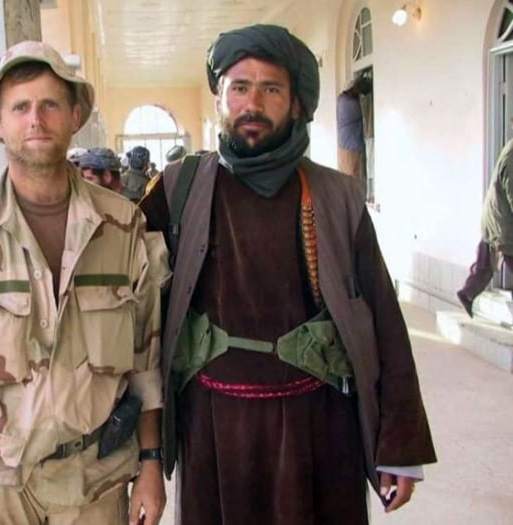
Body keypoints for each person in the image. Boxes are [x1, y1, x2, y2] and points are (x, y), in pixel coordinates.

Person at [139, 24, 436, 524]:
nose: (252, 102)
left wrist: (400, 443)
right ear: (219, 99)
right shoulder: (177, 189)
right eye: (238, 87)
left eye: (270, 88)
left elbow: (384, 320)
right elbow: (117, 281)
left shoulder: (337, 197)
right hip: (214, 431)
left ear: (297, 104)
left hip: (319, 428)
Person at [0, 40, 170, 525]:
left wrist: (150, 464)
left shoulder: (122, 226)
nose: (35, 119)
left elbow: (146, 361)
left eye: (50, 105)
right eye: (20, 107)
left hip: (94, 485)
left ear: (74, 116)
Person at [457, 138, 513, 316]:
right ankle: (467, 293)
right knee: (487, 260)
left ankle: (467, 293)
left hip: (494, 220)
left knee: (484, 264)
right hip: (502, 226)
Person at [336, 74, 372, 180]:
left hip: (345, 146)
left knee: (348, 177)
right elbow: (363, 112)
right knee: (353, 179)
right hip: (351, 148)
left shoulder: (341, 99)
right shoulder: (351, 104)